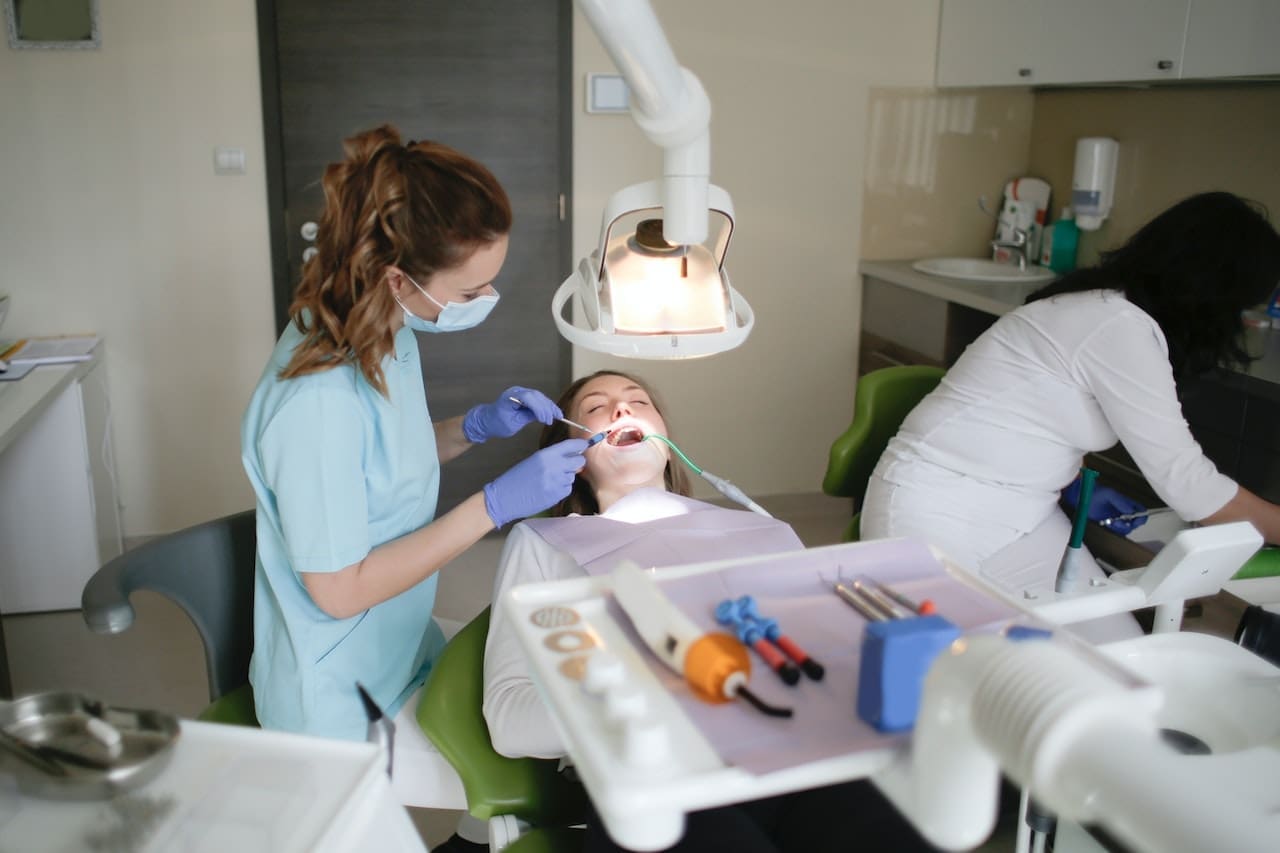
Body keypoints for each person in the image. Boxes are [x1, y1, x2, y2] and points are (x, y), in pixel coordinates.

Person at [480, 370, 933, 853]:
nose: (621, 410)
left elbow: (829, 660)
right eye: (595, 407)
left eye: (639, 402)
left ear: (666, 439)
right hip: (659, 780)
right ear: (571, 456)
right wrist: (638, 697)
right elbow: (508, 719)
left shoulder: (761, 530)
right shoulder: (545, 544)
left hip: (799, 759)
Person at [240, 125, 589, 742]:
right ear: (399, 278)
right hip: (339, 697)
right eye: (470, 290)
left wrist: (474, 427)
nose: (487, 298)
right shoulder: (315, 403)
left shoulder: (382, 326)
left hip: (398, 640)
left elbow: (378, 463)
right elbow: (341, 592)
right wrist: (491, 507)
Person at [862, 191, 1280, 641]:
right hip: (933, 508)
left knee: (1115, 656)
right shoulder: (1116, 325)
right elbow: (1188, 483)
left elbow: (1038, 411)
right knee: (967, 667)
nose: (1241, 324)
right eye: (1243, 308)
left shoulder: (1109, 312)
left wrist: (1066, 473)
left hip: (1026, 517)